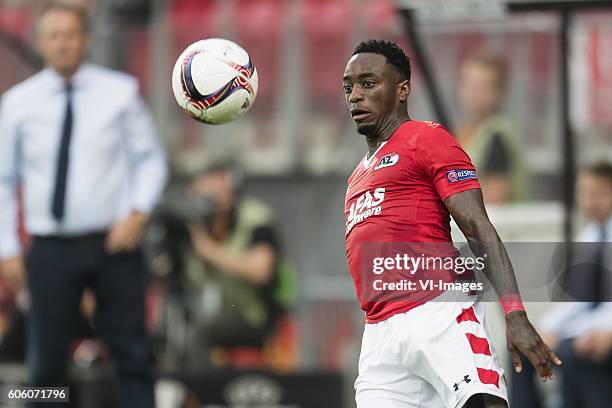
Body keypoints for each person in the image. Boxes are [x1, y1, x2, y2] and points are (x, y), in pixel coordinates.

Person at [342, 39, 560, 408]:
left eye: (368, 83)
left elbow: (477, 225)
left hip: (437, 310)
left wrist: (514, 314)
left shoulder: (426, 138)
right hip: (380, 334)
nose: (355, 96)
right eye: (349, 87)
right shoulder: (356, 177)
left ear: (402, 90)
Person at [0, 3, 167, 407]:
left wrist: (139, 213)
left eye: (70, 35)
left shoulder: (120, 92)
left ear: (86, 40)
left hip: (114, 245)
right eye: (53, 36)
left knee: (132, 355)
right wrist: (7, 250)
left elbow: (151, 159)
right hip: (50, 248)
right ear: (41, 42)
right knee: (45, 363)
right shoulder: (17, 102)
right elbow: (4, 182)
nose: (62, 44)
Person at [154, 161, 291, 368]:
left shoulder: (254, 218)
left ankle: (208, 396)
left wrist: (208, 250)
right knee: (166, 336)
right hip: (205, 312)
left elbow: (261, 270)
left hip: (253, 315)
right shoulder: (189, 225)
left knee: (197, 335)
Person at [510, 161, 612, 408]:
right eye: (585, 194)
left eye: (598, 193)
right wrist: (545, 330)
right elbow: (578, 301)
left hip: (604, 330)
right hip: (589, 327)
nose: (590, 201)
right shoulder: (589, 237)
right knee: (524, 346)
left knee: (570, 351)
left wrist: (605, 331)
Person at [456, 50, 527, 204]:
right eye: (468, 84)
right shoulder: (467, 131)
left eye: (482, 87)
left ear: (499, 93)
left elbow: (494, 200)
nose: (472, 93)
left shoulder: (497, 137)